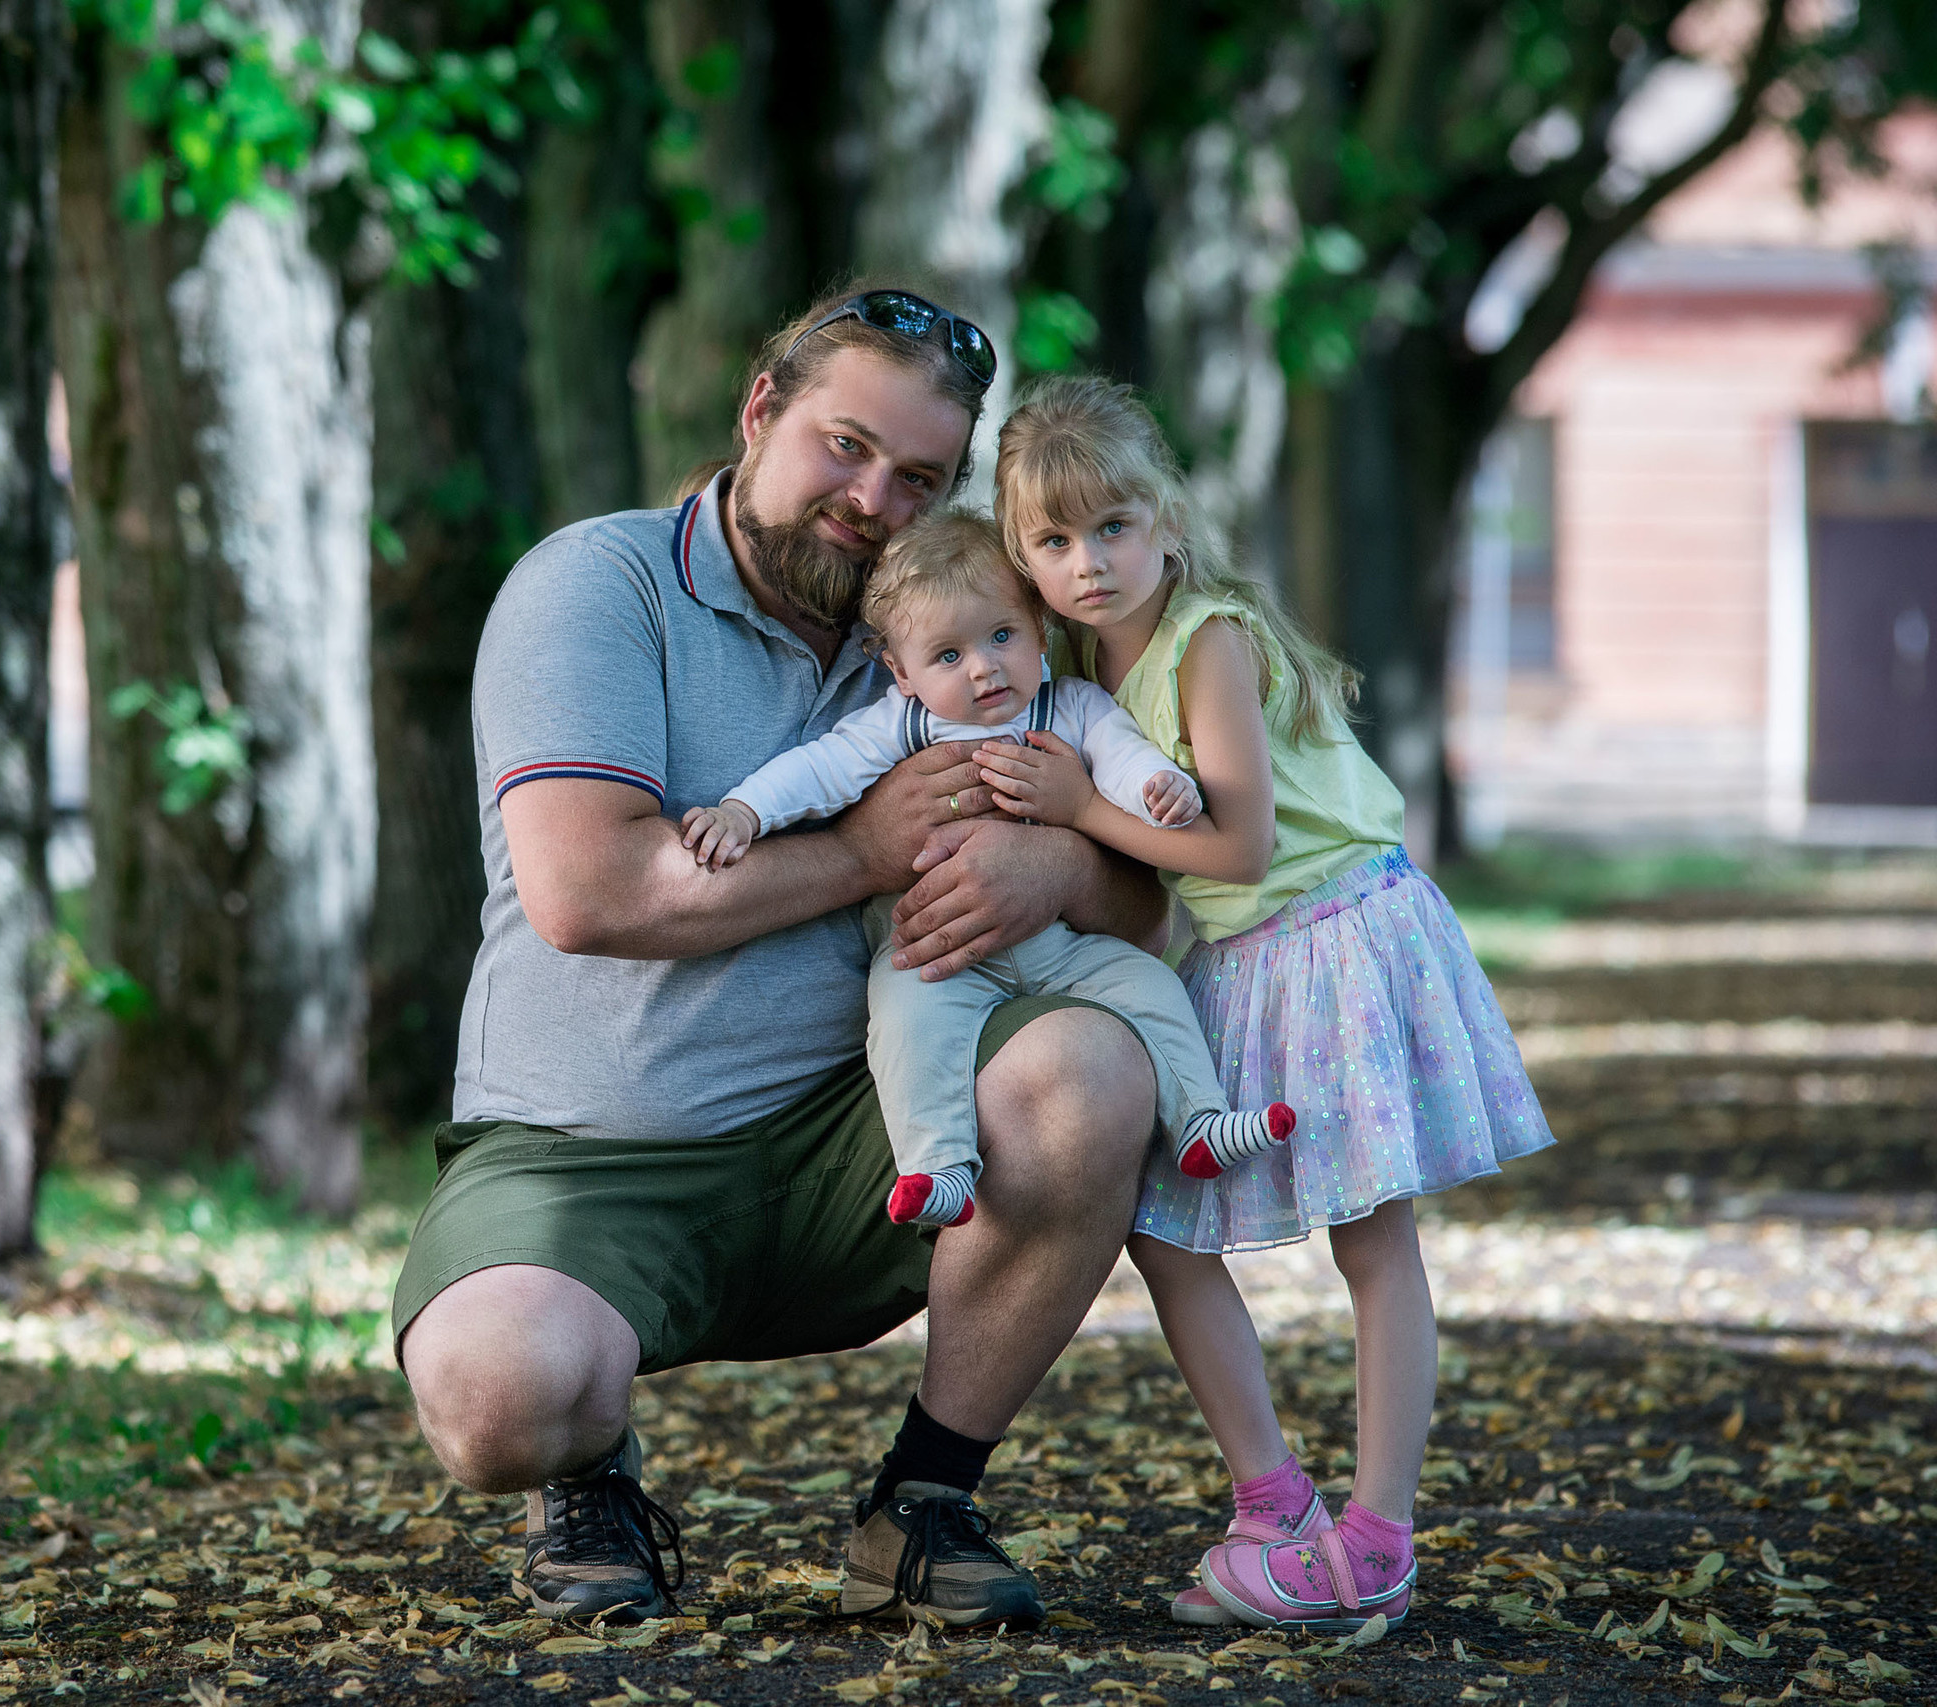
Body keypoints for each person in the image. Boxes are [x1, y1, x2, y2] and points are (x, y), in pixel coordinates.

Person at [391, 289, 1171, 1632]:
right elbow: (589, 891)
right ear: (761, 410)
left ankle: (923, 1503)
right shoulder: (598, 584)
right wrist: (866, 849)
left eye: (917, 476)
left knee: (1091, 1067)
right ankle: (586, 1472)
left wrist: (1063, 869)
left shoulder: (963, 625)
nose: (872, 499)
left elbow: (1151, 906)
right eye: (844, 446)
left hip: (866, 1134)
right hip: (591, 1154)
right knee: (496, 1399)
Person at [976, 375, 1555, 1637]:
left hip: (1337, 936)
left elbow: (1238, 850)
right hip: (1243, 960)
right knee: (1163, 1224)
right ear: (1021, 559)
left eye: (1114, 527)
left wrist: (1080, 810)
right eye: (1054, 541)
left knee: (1371, 1239)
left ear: (1168, 521)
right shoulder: (1077, 672)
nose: (1089, 563)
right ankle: (1275, 1506)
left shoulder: (1208, 642)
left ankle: (1377, 1539)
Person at [677, 512, 1296, 1227]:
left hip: (1061, 944)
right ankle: (940, 1167)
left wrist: (1162, 787)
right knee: (904, 1021)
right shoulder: (902, 725)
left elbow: (1122, 757)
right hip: (938, 951)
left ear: (1039, 627)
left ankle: (1201, 1120)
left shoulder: (1070, 705)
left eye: (1002, 635)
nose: (983, 667)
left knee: (1150, 984)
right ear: (901, 672)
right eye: (947, 655)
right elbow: (820, 768)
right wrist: (744, 811)